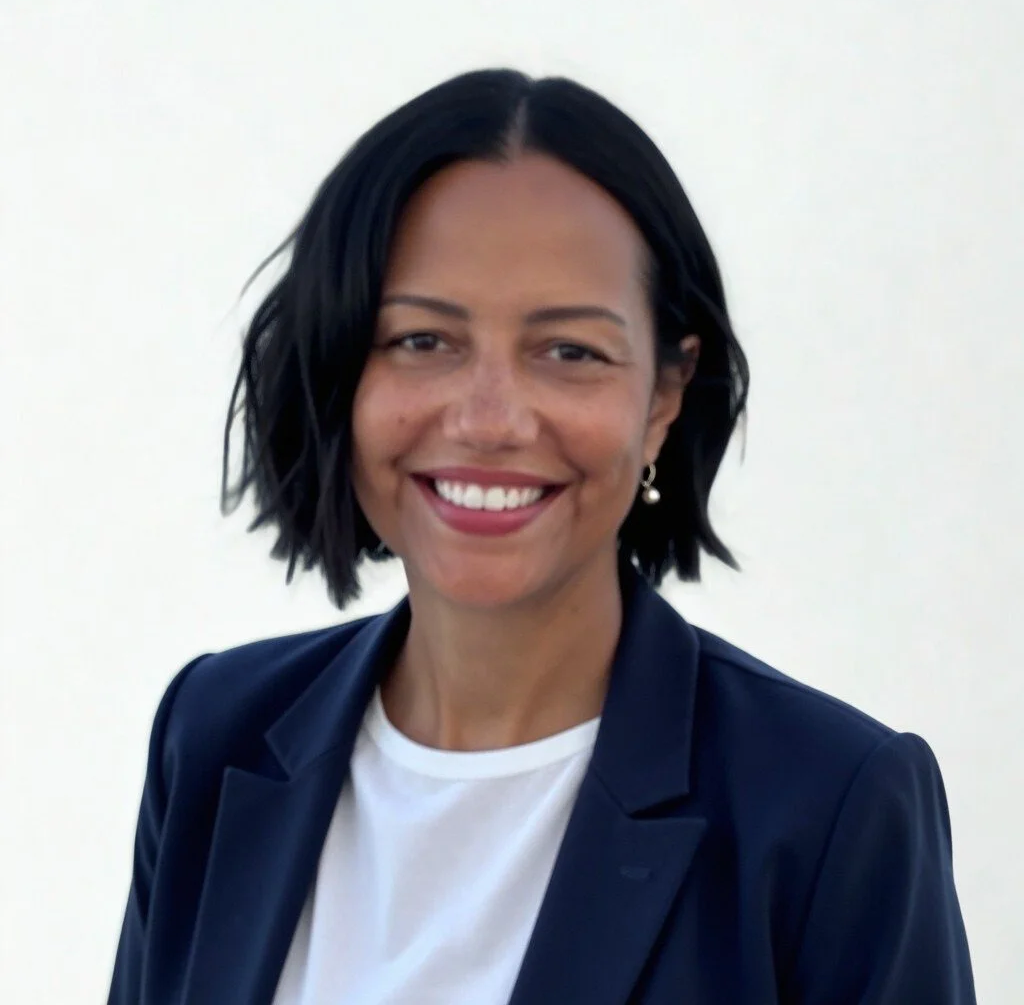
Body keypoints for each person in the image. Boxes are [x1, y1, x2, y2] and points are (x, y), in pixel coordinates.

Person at [108, 69, 975, 1004]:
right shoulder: (214, 734)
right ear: (340, 368)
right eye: (421, 340)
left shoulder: (828, 804)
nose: (490, 420)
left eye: (571, 352)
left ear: (665, 398)